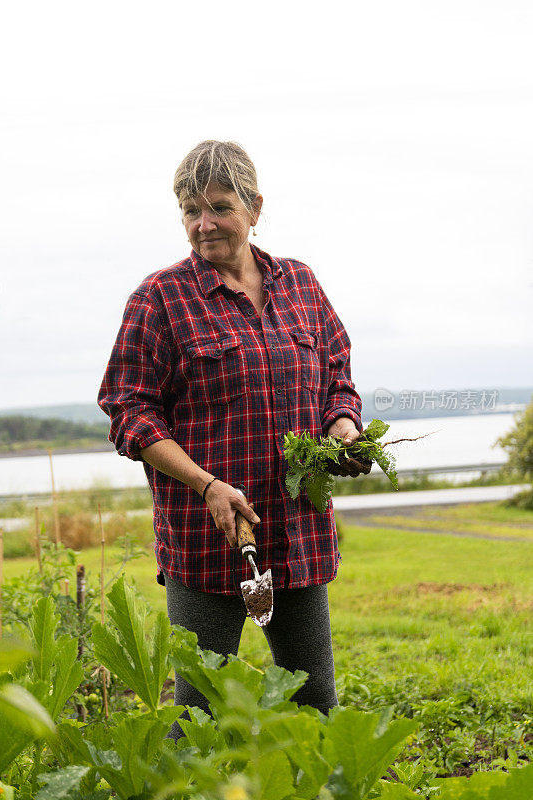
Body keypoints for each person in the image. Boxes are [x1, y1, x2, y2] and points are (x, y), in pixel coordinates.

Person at [97, 140, 371, 737]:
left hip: (297, 534)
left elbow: (337, 378)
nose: (203, 225)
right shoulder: (160, 299)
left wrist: (343, 427)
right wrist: (206, 484)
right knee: (198, 713)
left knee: (315, 705)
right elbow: (129, 412)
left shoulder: (299, 283)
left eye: (219, 207)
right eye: (190, 211)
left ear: (254, 207)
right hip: (207, 536)